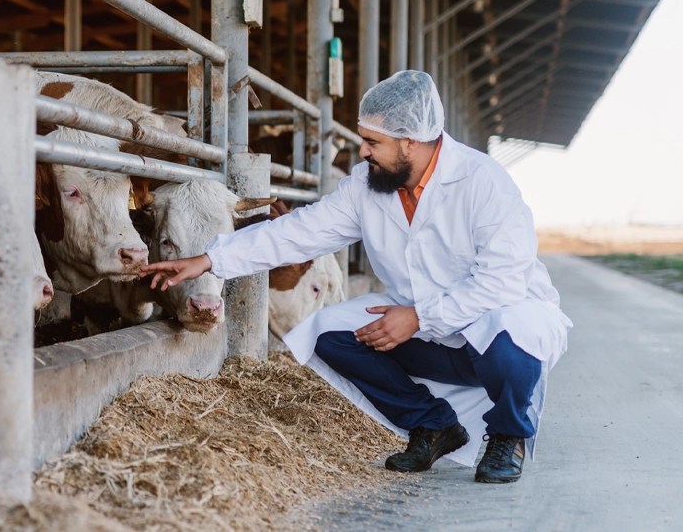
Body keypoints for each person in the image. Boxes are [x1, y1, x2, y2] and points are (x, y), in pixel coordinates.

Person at [139, 70, 573, 484]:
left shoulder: (484, 182)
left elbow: (503, 281)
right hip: (434, 337)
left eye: (372, 142)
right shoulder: (368, 185)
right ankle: (433, 424)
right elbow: (299, 232)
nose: (362, 151)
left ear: (410, 142)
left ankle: (507, 436)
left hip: (495, 333)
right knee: (327, 332)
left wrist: (419, 317)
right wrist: (210, 260)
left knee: (519, 326)